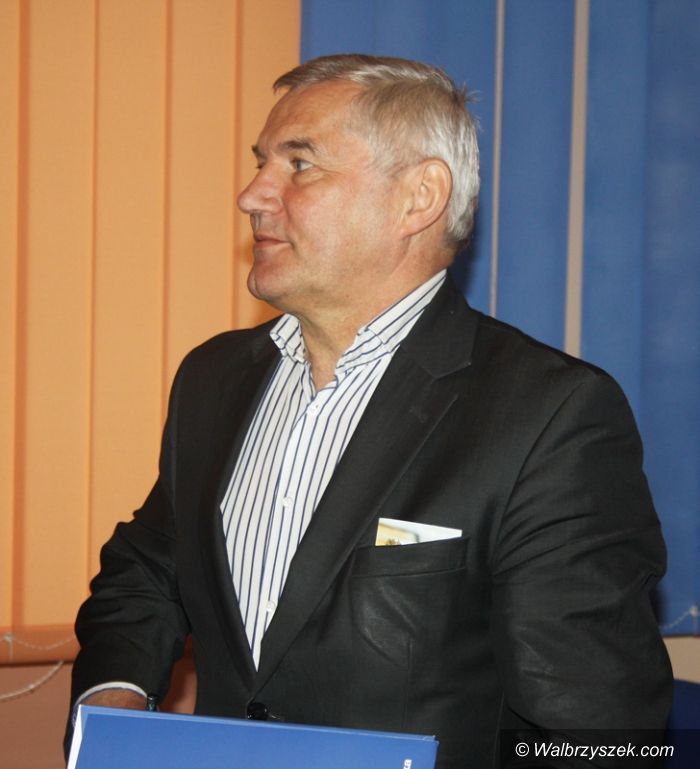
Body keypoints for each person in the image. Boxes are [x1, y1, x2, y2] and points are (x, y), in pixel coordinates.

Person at [67, 54, 672, 767]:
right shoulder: (214, 378)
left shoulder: (549, 415)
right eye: (262, 163)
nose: (252, 195)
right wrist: (113, 704)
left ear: (419, 197)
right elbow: (148, 568)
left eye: (300, 165)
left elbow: (599, 733)